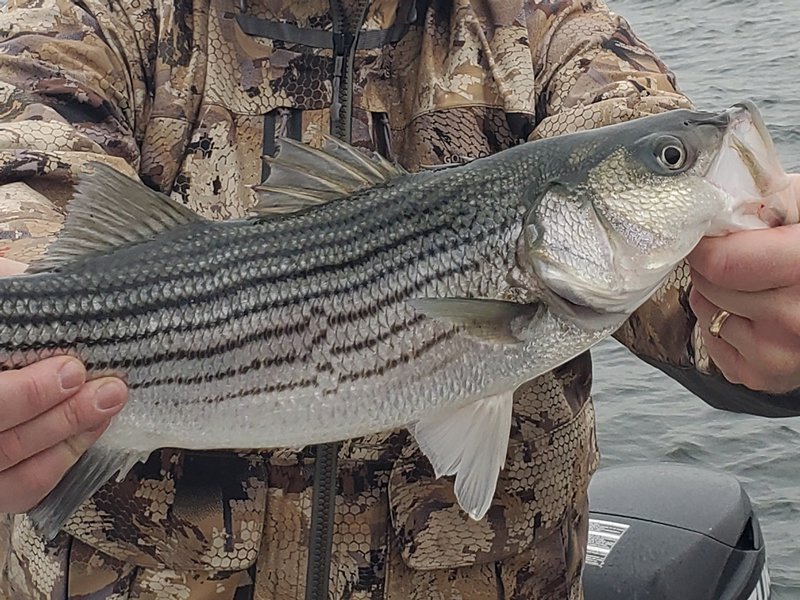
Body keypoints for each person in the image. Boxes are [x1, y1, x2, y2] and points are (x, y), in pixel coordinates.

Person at [0, 0, 798, 597]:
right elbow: (23, 183)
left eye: (671, 160)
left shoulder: (540, 26)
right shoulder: (94, 21)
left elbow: (643, 156)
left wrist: (760, 294)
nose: (694, 164)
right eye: (671, 160)